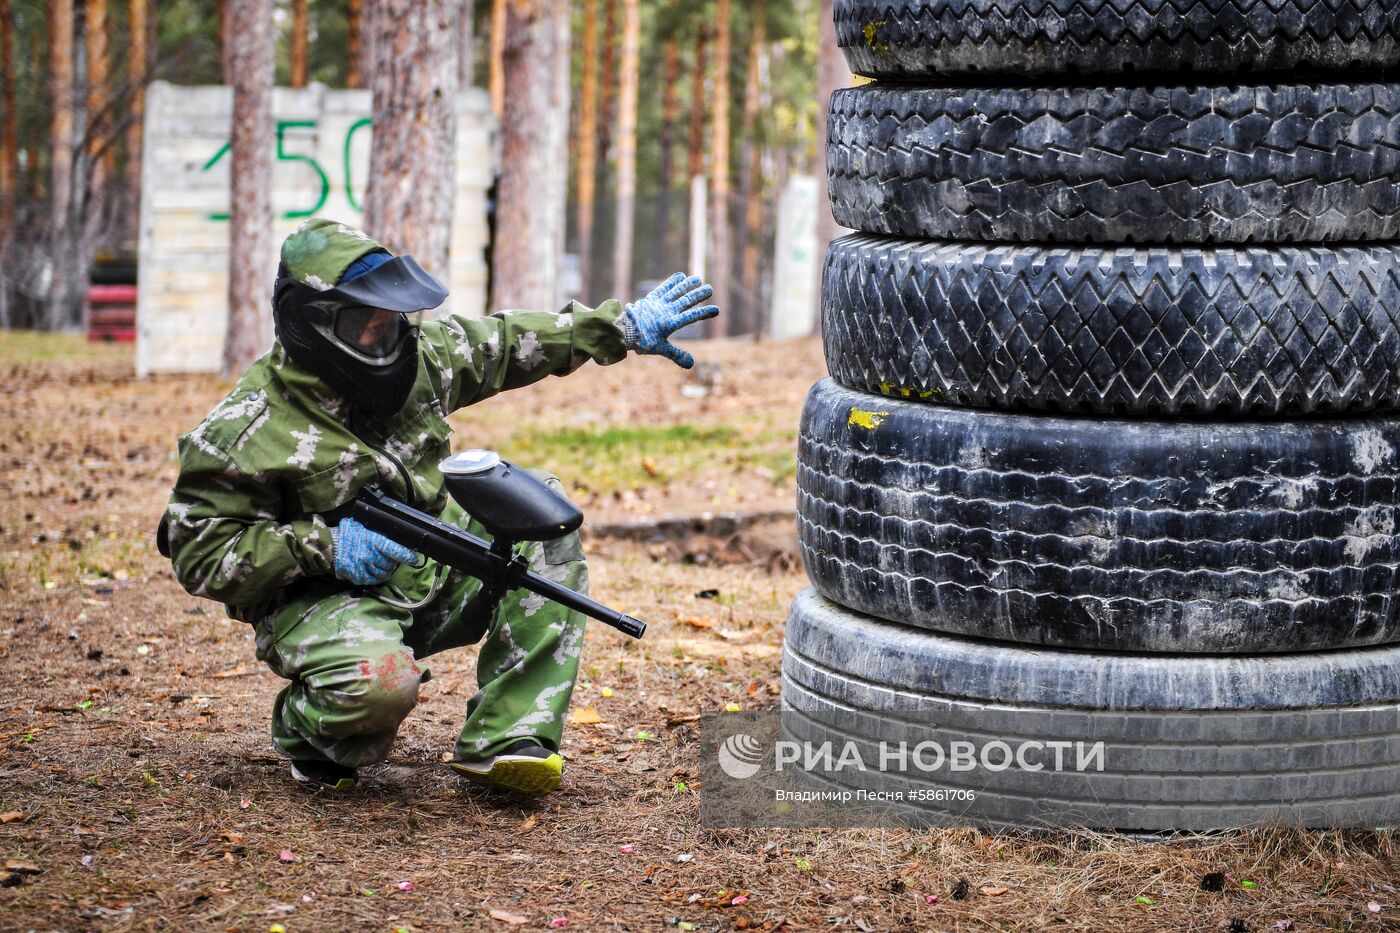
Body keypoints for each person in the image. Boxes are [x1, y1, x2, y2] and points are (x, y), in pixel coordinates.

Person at [161, 218, 718, 795]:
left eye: (391, 322)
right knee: (377, 688)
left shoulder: (420, 357)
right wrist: (327, 548)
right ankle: (313, 737)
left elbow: (507, 343)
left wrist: (620, 327)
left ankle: (508, 739)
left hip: (426, 561)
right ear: (311, 322)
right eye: (365, 327)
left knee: (540, 514)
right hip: (322, 600)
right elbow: (197, 552)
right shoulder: (245, 430)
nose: (384, 339)